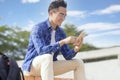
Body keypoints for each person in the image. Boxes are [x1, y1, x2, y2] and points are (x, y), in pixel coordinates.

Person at [22, 0, 86, 80]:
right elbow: (41, 51)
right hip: (32, 66)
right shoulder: (38, 28)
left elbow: (67, 56)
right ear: (51, 13)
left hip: (49, 65)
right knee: (47, 57)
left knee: (78, 62)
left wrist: (76, 48)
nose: (63, 18)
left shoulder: (61, 32)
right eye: (61, 14)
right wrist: (63, 42)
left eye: (65, 15)